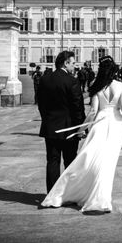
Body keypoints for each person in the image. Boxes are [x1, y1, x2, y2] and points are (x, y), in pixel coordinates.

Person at [41, 55, 122, 213]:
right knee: (108, 162)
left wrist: (81, 129)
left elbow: (92, 112)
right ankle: (102, 198)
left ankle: (63, 192)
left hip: (99, 123)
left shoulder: (96, 85)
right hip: (116, 125)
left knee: (87, 159)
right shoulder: (120, 86)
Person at [37, 51, 86, 192]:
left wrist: (47, 120)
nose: (74, 67)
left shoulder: (45, 79)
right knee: (70, 161)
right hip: (69, 129)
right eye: (73, 63)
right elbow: (78, 108)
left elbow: (40, 104)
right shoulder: (71, 81)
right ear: (66, 63)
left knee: (52, 161)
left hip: (50, 128)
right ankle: (68, 192)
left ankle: (52, 193)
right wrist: (81, 128)